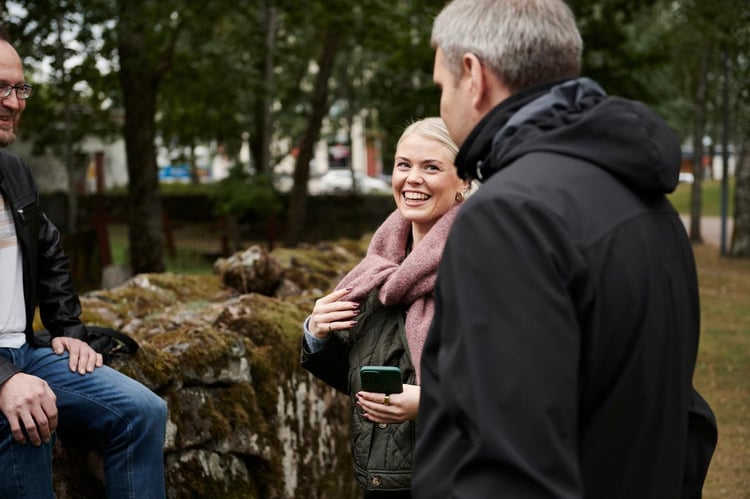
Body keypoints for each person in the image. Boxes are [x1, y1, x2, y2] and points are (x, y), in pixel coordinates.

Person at [413, 1, 718, 498]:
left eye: (441, 87)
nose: (443, 103)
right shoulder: (647, 200)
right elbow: (685, 421)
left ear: (473, 75)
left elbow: (509, 470)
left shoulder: (509, 215)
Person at [0, 31, 168, 498]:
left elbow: (47, 248)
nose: (14, 102)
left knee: (143, 412)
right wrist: (5, 381)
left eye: (20, 88)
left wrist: (67, 331)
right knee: (28, 423)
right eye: (1, 88)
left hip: (25, 351)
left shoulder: (12, 169)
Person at [301, 117, 470, 498]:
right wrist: (318, 336)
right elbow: (363, 380)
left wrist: (432, 402)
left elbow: (514, 386)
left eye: (431, 167)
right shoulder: (380, 267)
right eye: (403, 164)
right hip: (385, 478)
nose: (412, 178)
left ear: (463, 182)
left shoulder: (479, 263)